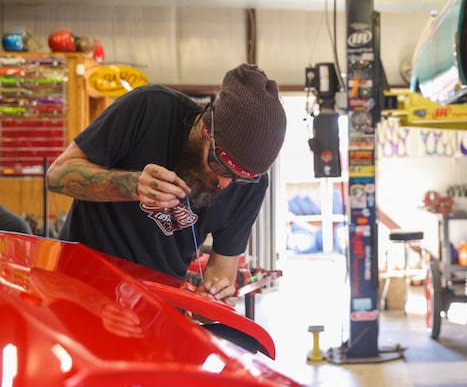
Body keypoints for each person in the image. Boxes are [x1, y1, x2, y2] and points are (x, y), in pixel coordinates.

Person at [47, 63, 287, 305]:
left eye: (238, 177)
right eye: (220, 167)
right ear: (205, 128)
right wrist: (130, 185)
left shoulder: (251, 185)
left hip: (154, 312)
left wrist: (215, 296)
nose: (224, 184)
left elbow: (222, 269)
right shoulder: (149, 108)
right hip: (78, 292)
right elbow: (57, 176)